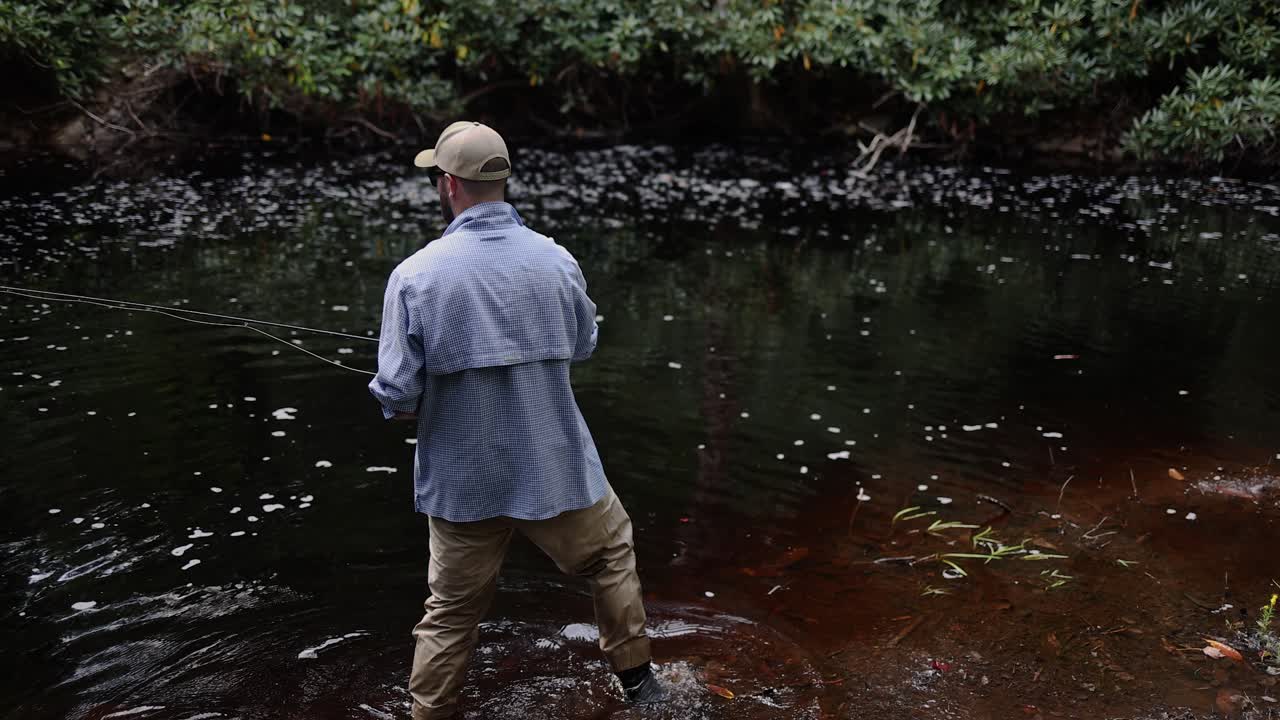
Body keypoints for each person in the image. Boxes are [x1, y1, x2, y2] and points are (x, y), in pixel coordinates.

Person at [368, 121, 666, 720]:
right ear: (502, 180)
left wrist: (407, 398)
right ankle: (640, 689)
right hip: (552, 469)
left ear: (448, 185)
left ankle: (428, 713)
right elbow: (583, 345)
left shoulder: (415, 276)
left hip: (462, 484)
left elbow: (398, 398)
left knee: (449, 612)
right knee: (610, 555)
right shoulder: (557, 262)